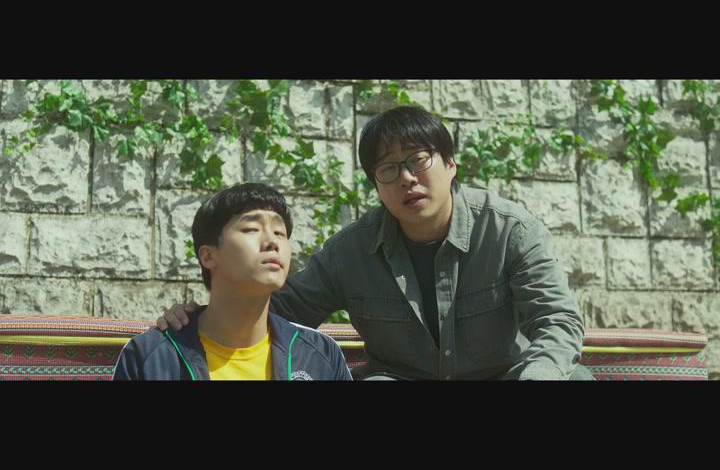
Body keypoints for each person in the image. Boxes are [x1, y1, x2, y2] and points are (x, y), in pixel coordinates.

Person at [158, 106, 593, 380]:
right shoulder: (351, 251)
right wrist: (200, 316)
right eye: (388, 169)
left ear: (450, 165)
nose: (406, 178)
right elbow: (282, 309)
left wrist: (536, 377)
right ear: (377, 187)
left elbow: (557, 320)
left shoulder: (509, 229)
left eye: (418, 160)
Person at [113, 183, 352, 380]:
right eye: (251, 229)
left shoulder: (320, 354)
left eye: (280, 232)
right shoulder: (150, 355)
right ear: (208, 256)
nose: (272, 242)